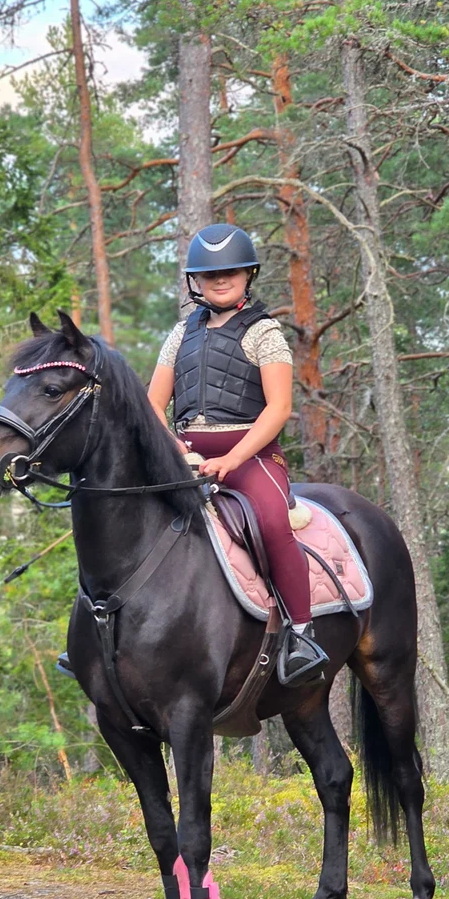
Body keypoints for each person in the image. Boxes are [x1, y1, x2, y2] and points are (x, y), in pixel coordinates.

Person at [145, 223, 329, 687]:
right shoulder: (180, 334)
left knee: (271, 522)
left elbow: (279, 409)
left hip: (252, 457)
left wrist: (231, 461)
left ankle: (301, 634)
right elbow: (153, 404)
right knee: (124, 511)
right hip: (186, 457)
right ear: (196, 281)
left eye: (230, 271)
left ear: (249, 274)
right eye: (210, 274)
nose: (220, 279)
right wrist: (173, 447)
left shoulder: (265, 333)